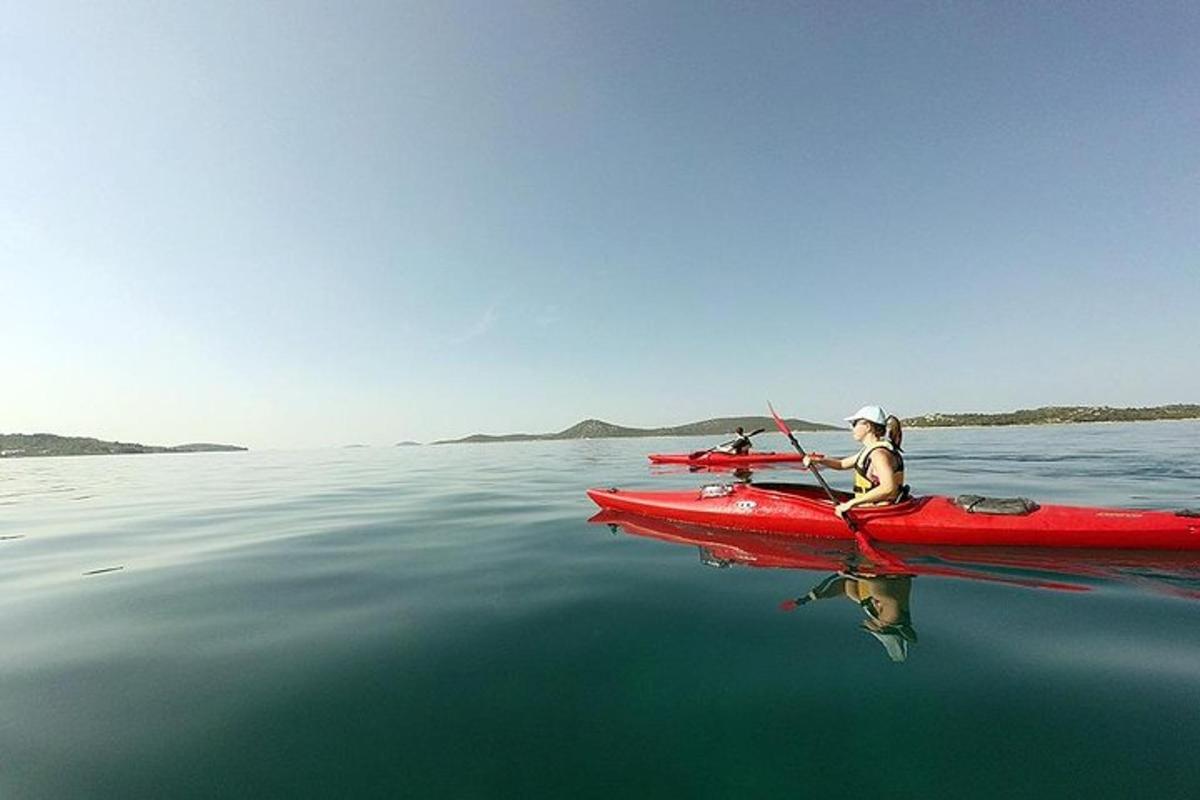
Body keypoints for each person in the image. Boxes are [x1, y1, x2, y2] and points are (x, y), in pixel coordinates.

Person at [802, 405, 908, 518]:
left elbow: (888, 488)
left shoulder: (878, 454)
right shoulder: (872, 451)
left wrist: (850, 504)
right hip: (875, 508)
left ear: (867, 426)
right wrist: (819, 460)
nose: (852, 428)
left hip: (877, 513)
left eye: (854, 424)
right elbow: (841, 464)